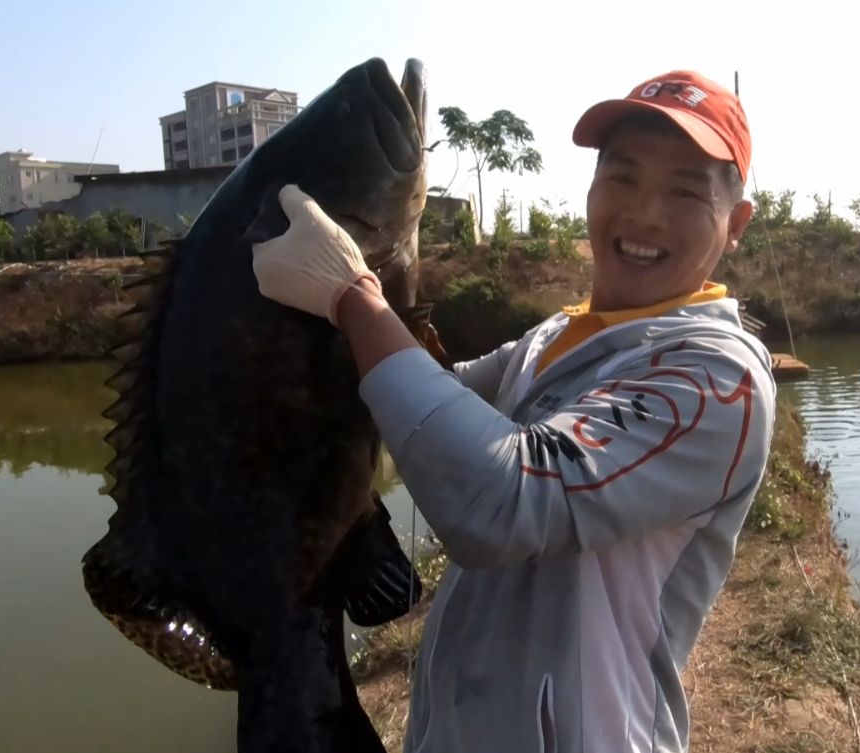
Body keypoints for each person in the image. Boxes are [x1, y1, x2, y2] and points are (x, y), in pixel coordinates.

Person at [251, 69, 777, 753]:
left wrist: (353, 297)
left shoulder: (715, 377)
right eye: (621, 178)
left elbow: (501, 498)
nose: (644, 213)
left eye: (683, 191)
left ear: (734, 223)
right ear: (590, 190)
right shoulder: (556, 334)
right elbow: (429, 404)